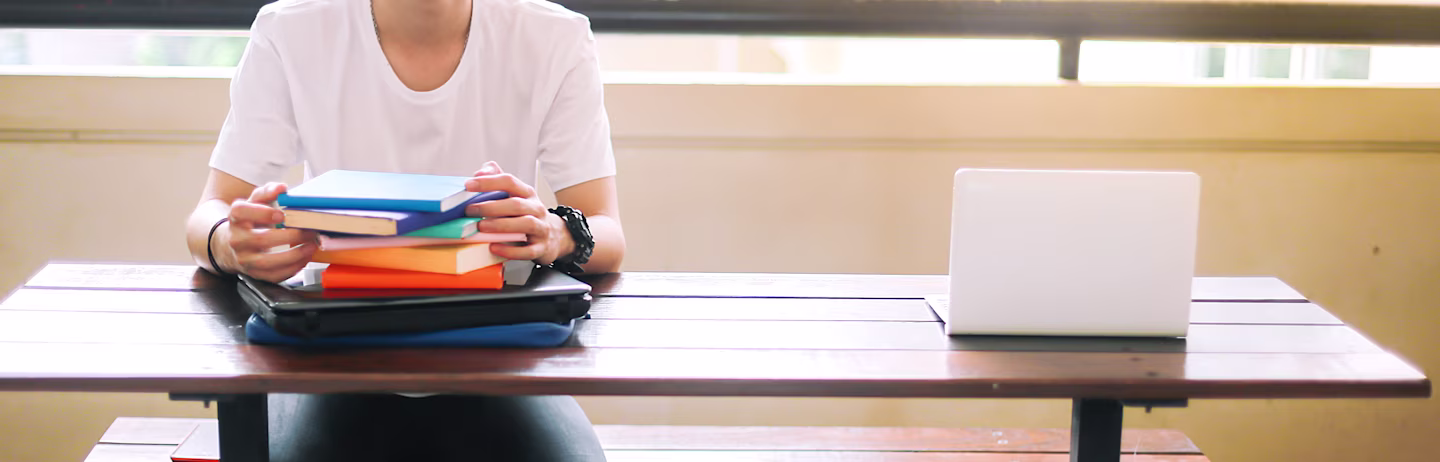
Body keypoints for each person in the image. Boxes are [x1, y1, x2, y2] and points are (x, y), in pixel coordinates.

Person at [182, 0, 623, 459]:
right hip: (335, 355)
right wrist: (229, 244)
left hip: (501, 353)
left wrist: (557, 233)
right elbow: (209, 214)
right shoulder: (290, 29)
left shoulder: (555, 36)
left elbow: (607, 232)